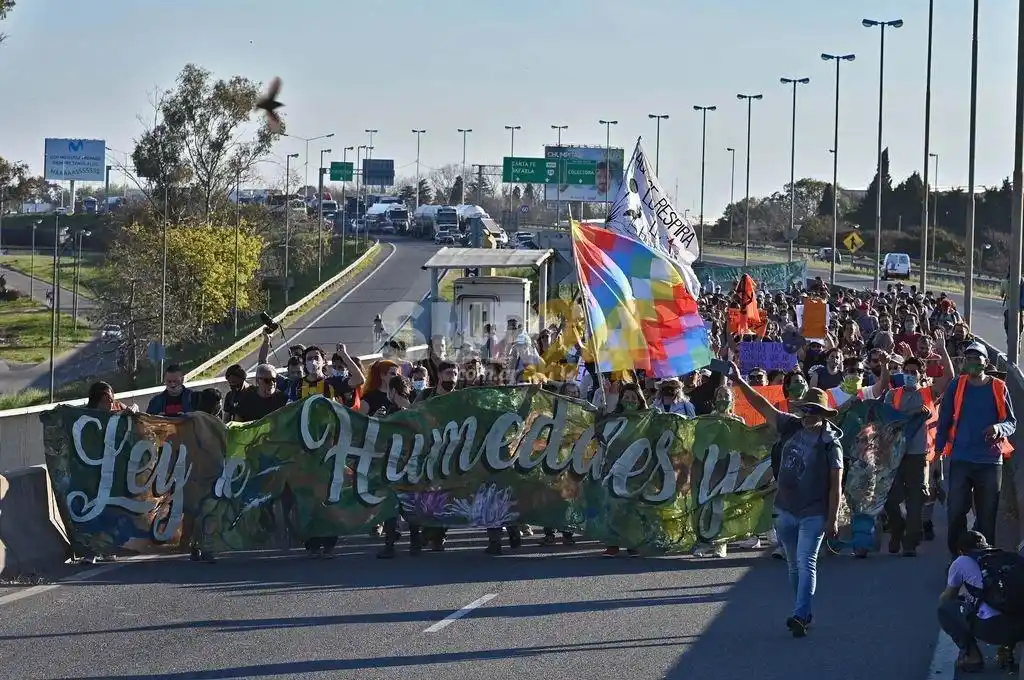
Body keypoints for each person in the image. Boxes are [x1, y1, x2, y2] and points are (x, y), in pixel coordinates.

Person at [731, 362, 843, 639]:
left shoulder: (831, 443)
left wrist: (832, 518)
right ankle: (803, 610)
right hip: (784, 509)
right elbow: (762, 406)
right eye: (805, 409)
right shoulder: (790, 426)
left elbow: (835, 485)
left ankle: (800, 614)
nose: (807, 415)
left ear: (823, 414)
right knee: (793, 565)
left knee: (806, 562)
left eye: (813, 411)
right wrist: (740, 381)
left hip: (813, 511)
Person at [936, 341, 1017, 558]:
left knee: (987, 515)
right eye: (968, 358)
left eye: (976, 359)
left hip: (990, 462)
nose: (972, 363)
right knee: (955, 511)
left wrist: (998, 428)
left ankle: (985, 560)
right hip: (961, 458)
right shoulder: (957, 385)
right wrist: (937, 455)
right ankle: (957, 559)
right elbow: (944, 421)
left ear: (986, 362)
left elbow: (1011, 422)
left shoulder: (998, 387)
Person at [883, 340, 953, 557]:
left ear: (921, 375)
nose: (909, 375)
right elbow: (884, 420)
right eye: (906, 371)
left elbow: (949, 378)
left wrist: (942, 350)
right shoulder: (893, 395)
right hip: (895, 455)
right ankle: (897, 528)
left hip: (918, 455)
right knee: (890, 499)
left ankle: (910, 542)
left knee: (917, 499)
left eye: (914, 372)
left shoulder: (927, 393)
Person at [937, 531, 1024, 673]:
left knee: (946, 610)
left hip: (993, 629)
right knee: (1003, 601)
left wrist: (964, 594)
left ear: (961, 551)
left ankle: (972, 657)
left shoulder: (961, 561)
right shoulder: (1007, 558)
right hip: (1021, 626)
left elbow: (947, 598)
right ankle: (1007, 651)